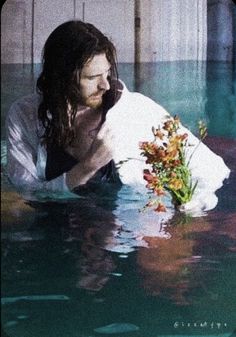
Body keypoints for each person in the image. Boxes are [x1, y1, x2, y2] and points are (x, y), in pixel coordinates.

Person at [6, 20, 230, 214]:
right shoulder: (24, 115)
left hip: (122, 228)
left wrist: (195, 203)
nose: (105, 85)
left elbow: (212, 168)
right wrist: (87, 167)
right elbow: (25, 191)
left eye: (107, 73)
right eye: (93, 77)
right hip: (54, 225)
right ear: (61, 78)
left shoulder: (135, 111)